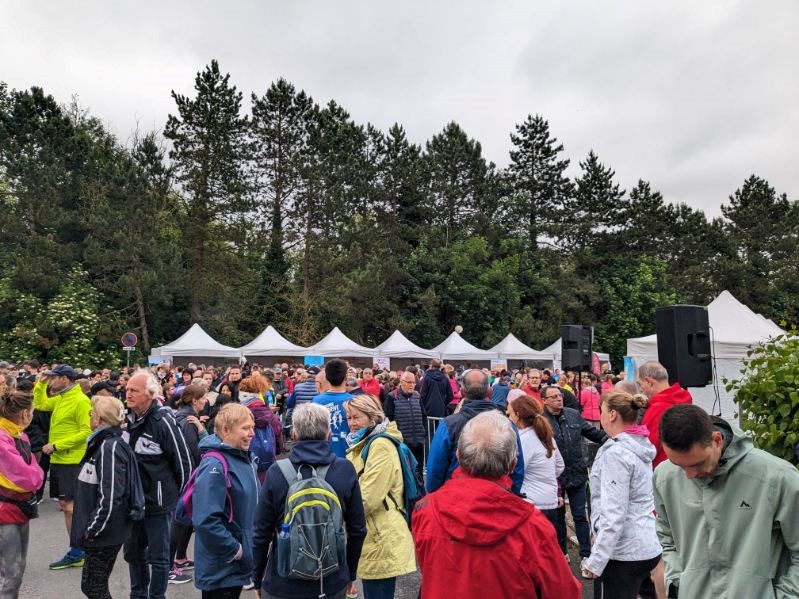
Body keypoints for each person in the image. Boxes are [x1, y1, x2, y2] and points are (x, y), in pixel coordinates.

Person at [413, 411, 581, 598]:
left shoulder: (424, 510)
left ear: (459, 457)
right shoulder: (533, 527)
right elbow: (564, 591)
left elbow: (428, 567)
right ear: (512, 464)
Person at [654, 404, 799, 598]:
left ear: (717, 440)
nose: (689, 475)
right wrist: (677, 582)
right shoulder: (664, 477)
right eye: (678, 465)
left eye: (698, 463)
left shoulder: (777, 477)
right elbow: (667, 539)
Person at [252, 402, 367, 599]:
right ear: (329, 433)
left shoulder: (276, 472)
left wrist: (257, 577)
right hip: (330, 580)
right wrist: (350, 574)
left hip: (282, 581)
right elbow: (357, 530)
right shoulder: (344, 470)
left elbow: (261, 533)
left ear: (294, 435)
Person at [579, 392, 662, 599]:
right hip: (648, 544)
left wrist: (595, 561)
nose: (600, 417)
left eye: (602, 411)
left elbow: (614, 513)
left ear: (613, 415)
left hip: (624, 552)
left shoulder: (617, 453)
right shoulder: (641, 444)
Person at [124, 370, 193, 599]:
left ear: (150, 394)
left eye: (134, 390)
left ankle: (157, 596)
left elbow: (183, 463)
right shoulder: (126, 419)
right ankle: (138, 594)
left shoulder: (163, 420)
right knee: (133, 553)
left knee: (159, 556)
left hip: (158, 503)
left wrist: (176, 499)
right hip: (133, 502)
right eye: (127, 389)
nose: (128, 393)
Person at [344, 394, 416, 599]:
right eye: (349, 418)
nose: (351, 423)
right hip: (374, 533)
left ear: (372, 416)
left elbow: (368, 497)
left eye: (356, 417)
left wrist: (339, 515)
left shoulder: (379, 445)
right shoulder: (365, 443)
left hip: (381, 535)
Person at [72, 395, 140, 599]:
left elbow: (111, 496)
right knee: (91, 586)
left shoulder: (109, 447)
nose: (90, 416)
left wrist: (93, 529)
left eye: (92, 413)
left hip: (104, 533)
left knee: (95, 588)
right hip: (102, 531)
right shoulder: (104, 443)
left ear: (99, 417)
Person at [192, 403, 260, 599]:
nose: (252, 433)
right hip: (222, 567)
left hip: (236, 565)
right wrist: (236, 550)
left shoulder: (243, 458)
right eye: (246, 428)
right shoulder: (215, 465)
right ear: (225, 430)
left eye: (252, 427)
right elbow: (205, 520)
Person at [426, 369, 525, 494]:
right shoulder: (507, 424)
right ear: (490, 391)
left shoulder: (449, 424)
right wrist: (512, 495)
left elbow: (435, 468)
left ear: (462, 392)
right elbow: (518, 467)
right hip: (496, 498)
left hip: (458, 499)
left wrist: (436, 497)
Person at [33, 364, 93, 570]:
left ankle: (79, 551)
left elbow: (87, 432)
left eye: (53, 378)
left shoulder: (80, 401)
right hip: (59, 460)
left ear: (65, 379)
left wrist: (57, 445)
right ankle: (79, 549)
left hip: (71, 460)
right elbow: (40, 404)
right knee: (66, 506)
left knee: (70, 507)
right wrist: (40, 385)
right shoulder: (61, 398)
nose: (50, 381)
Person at [541, 384, 607, 564]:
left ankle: (586, 553)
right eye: (553, 397)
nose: (558, 399)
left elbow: (591, 432)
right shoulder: (540, 420)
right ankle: (562, 552)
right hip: (555, 477)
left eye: (559, 395)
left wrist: (610, 438)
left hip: (577, 472)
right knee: (558, 516)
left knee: (579, 515)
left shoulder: (573, 414)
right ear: (544, 400)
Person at [0, 387, 44, 598]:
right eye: (32, 411)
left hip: (18, 509)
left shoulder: (18, 435)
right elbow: (28, 477)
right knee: (11, 572)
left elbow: (31, 471)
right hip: (4, 510)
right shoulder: (3, 438)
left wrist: (35, 475)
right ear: (25, 414)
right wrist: (35, 476)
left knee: (17, 568)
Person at [169, 383, 209, 584]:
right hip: (188, 476)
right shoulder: (188, 421)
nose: (206, 400)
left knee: (185, 518)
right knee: (179, 519)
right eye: (203, 397)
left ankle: (181, 558)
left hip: (186, 476)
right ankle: (168, 566)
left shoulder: (185, 417)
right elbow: (197, 452)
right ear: (194, 400)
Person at [506, 391, 564, 526]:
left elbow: (516, 468)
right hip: (550, 500)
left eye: (510, 414)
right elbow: (560, 466)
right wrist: (544, 476)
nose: (509, 418)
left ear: (518, 415)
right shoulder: (546, 436)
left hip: (531, 501)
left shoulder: (523, 440)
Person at [637, 361, 692, 467]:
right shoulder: (684, 401)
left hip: (660, 471)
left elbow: (648, 449)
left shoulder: (657, 409)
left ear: (649, 382)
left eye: (640, 384)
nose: (640, 389)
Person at [382, 372, 426, 477]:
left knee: (418, 471)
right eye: (409, 382)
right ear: (401, 383)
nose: (412, 385)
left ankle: (420, 492)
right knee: (404, 473)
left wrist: (424, 432)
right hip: (402, 443)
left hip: (418, 441)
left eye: (414, 383)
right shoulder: (392, 396)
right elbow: (388, 420)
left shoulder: (417, 396)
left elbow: (423, 415)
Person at [312, 360, 353, 458]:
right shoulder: (354, 400)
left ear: (326, 377)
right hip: (349, 455)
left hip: (323, 454)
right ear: (346, 378)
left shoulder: (316, 401)